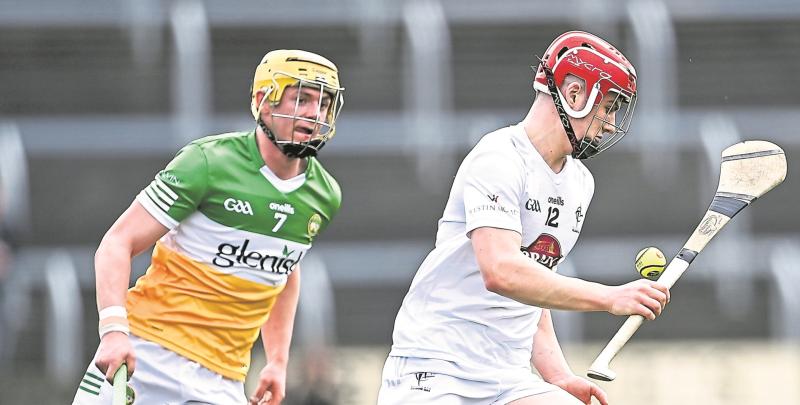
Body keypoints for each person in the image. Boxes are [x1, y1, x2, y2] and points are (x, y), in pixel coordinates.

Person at [377, 31, 670, 405]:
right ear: (574, 94)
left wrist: (558, 375)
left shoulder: (580, 183)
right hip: (437, 369)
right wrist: (609, 297)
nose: (611, 123)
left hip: (508, 377)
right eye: (608, 106)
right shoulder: (499, 158)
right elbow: (502, 272)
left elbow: (535, 286)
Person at [72, 49, 344, 405]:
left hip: (223, 381)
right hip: (148, 356)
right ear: (263, 101)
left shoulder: (324, 195)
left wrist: (277, 361)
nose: (314, 113)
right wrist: (113, 331)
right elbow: (117, 243)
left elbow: (284, 271)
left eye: (324, 104)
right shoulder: (206, 163)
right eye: (302, 99)